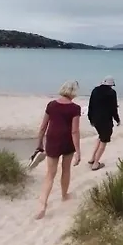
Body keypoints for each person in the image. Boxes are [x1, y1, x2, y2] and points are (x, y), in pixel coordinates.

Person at [35, 80, 81, 220]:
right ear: (74, 92)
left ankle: (42, 204)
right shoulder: (75, 108)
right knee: (66, 170)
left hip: (53, 140)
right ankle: (64, 195)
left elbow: (43, 126)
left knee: (50, 174)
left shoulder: (51, 105)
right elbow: (75, 131)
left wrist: (39, 143)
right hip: (67, 141)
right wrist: (78, 151)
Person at [87, 75, 120, 171]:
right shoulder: (112, 93)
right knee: (104, 140)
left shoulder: (95, 90)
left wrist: (90, 119)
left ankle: (92, 158)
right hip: (106, 121)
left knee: (100, 136)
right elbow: (113, 109)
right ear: (111, 85)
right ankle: (96, 163)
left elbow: (90, 105)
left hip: (95, 119)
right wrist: (117, 120)